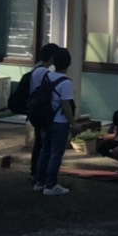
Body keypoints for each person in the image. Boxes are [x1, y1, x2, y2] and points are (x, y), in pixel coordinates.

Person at [35, 47, 76, 197]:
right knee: (56, 153)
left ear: (54, 62)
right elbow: (66, 106)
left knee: (45, 150)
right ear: (68, 64)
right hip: (59, 121)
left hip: (45, 119)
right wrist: (73, 123)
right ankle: (51, 185)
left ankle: (40, 182)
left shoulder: (47, 76)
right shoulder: (66, 82)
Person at [24, 42, 58, 191]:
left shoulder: (37, 70)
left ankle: (36, 172)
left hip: (34, 110)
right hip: (41, 111)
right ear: (51, 57)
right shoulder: (44, 73)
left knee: (40, 142)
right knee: (42, 144)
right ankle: (38, 173)